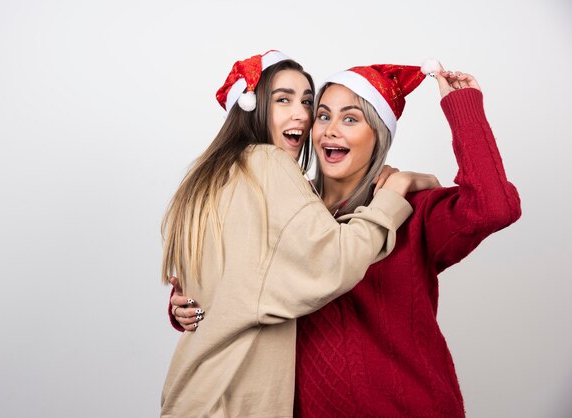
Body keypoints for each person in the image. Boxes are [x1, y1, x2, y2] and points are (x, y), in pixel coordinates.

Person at [170, 62, 522, 416]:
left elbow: (494, 208)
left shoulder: (413, 210)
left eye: (350, 119)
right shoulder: (279, 204)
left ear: (379, 134)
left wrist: (464, 110)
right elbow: (238, 268)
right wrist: (189, 300)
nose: (330, 131)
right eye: (322, 116)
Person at [159, 50, 430, 418]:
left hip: (190, 395)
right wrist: (397, 190)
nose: (301, 114)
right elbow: (335, 261)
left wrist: (182, 307)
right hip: (234, 402)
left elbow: (219, 286)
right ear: (253, 107)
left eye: (307, 101)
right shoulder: (268, 164)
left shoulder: (206, 179)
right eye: (283, 99)